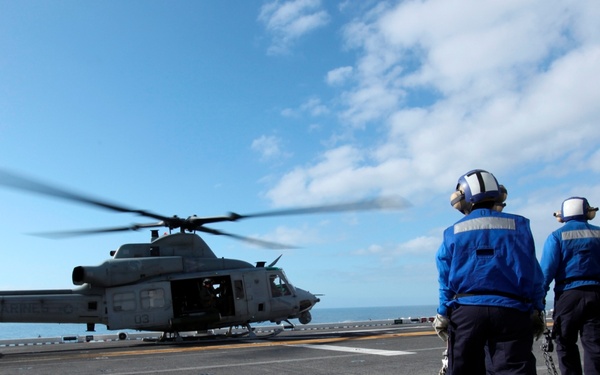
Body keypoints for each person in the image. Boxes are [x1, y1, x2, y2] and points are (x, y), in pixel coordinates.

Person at [434, 169, 545, 374]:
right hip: (511, 311)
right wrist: (537, 308)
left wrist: (442, 312)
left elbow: (445, 279)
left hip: (467, 313)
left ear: (465, 198)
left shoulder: (452, 232)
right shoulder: (519, 225)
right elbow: (533, 273)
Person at [540, 197, 600, 375]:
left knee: (565, 343)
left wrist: (539, 297)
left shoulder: (557, 236)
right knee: (595, 345)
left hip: (568, 296)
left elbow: (546, 271)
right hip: (596, 295)